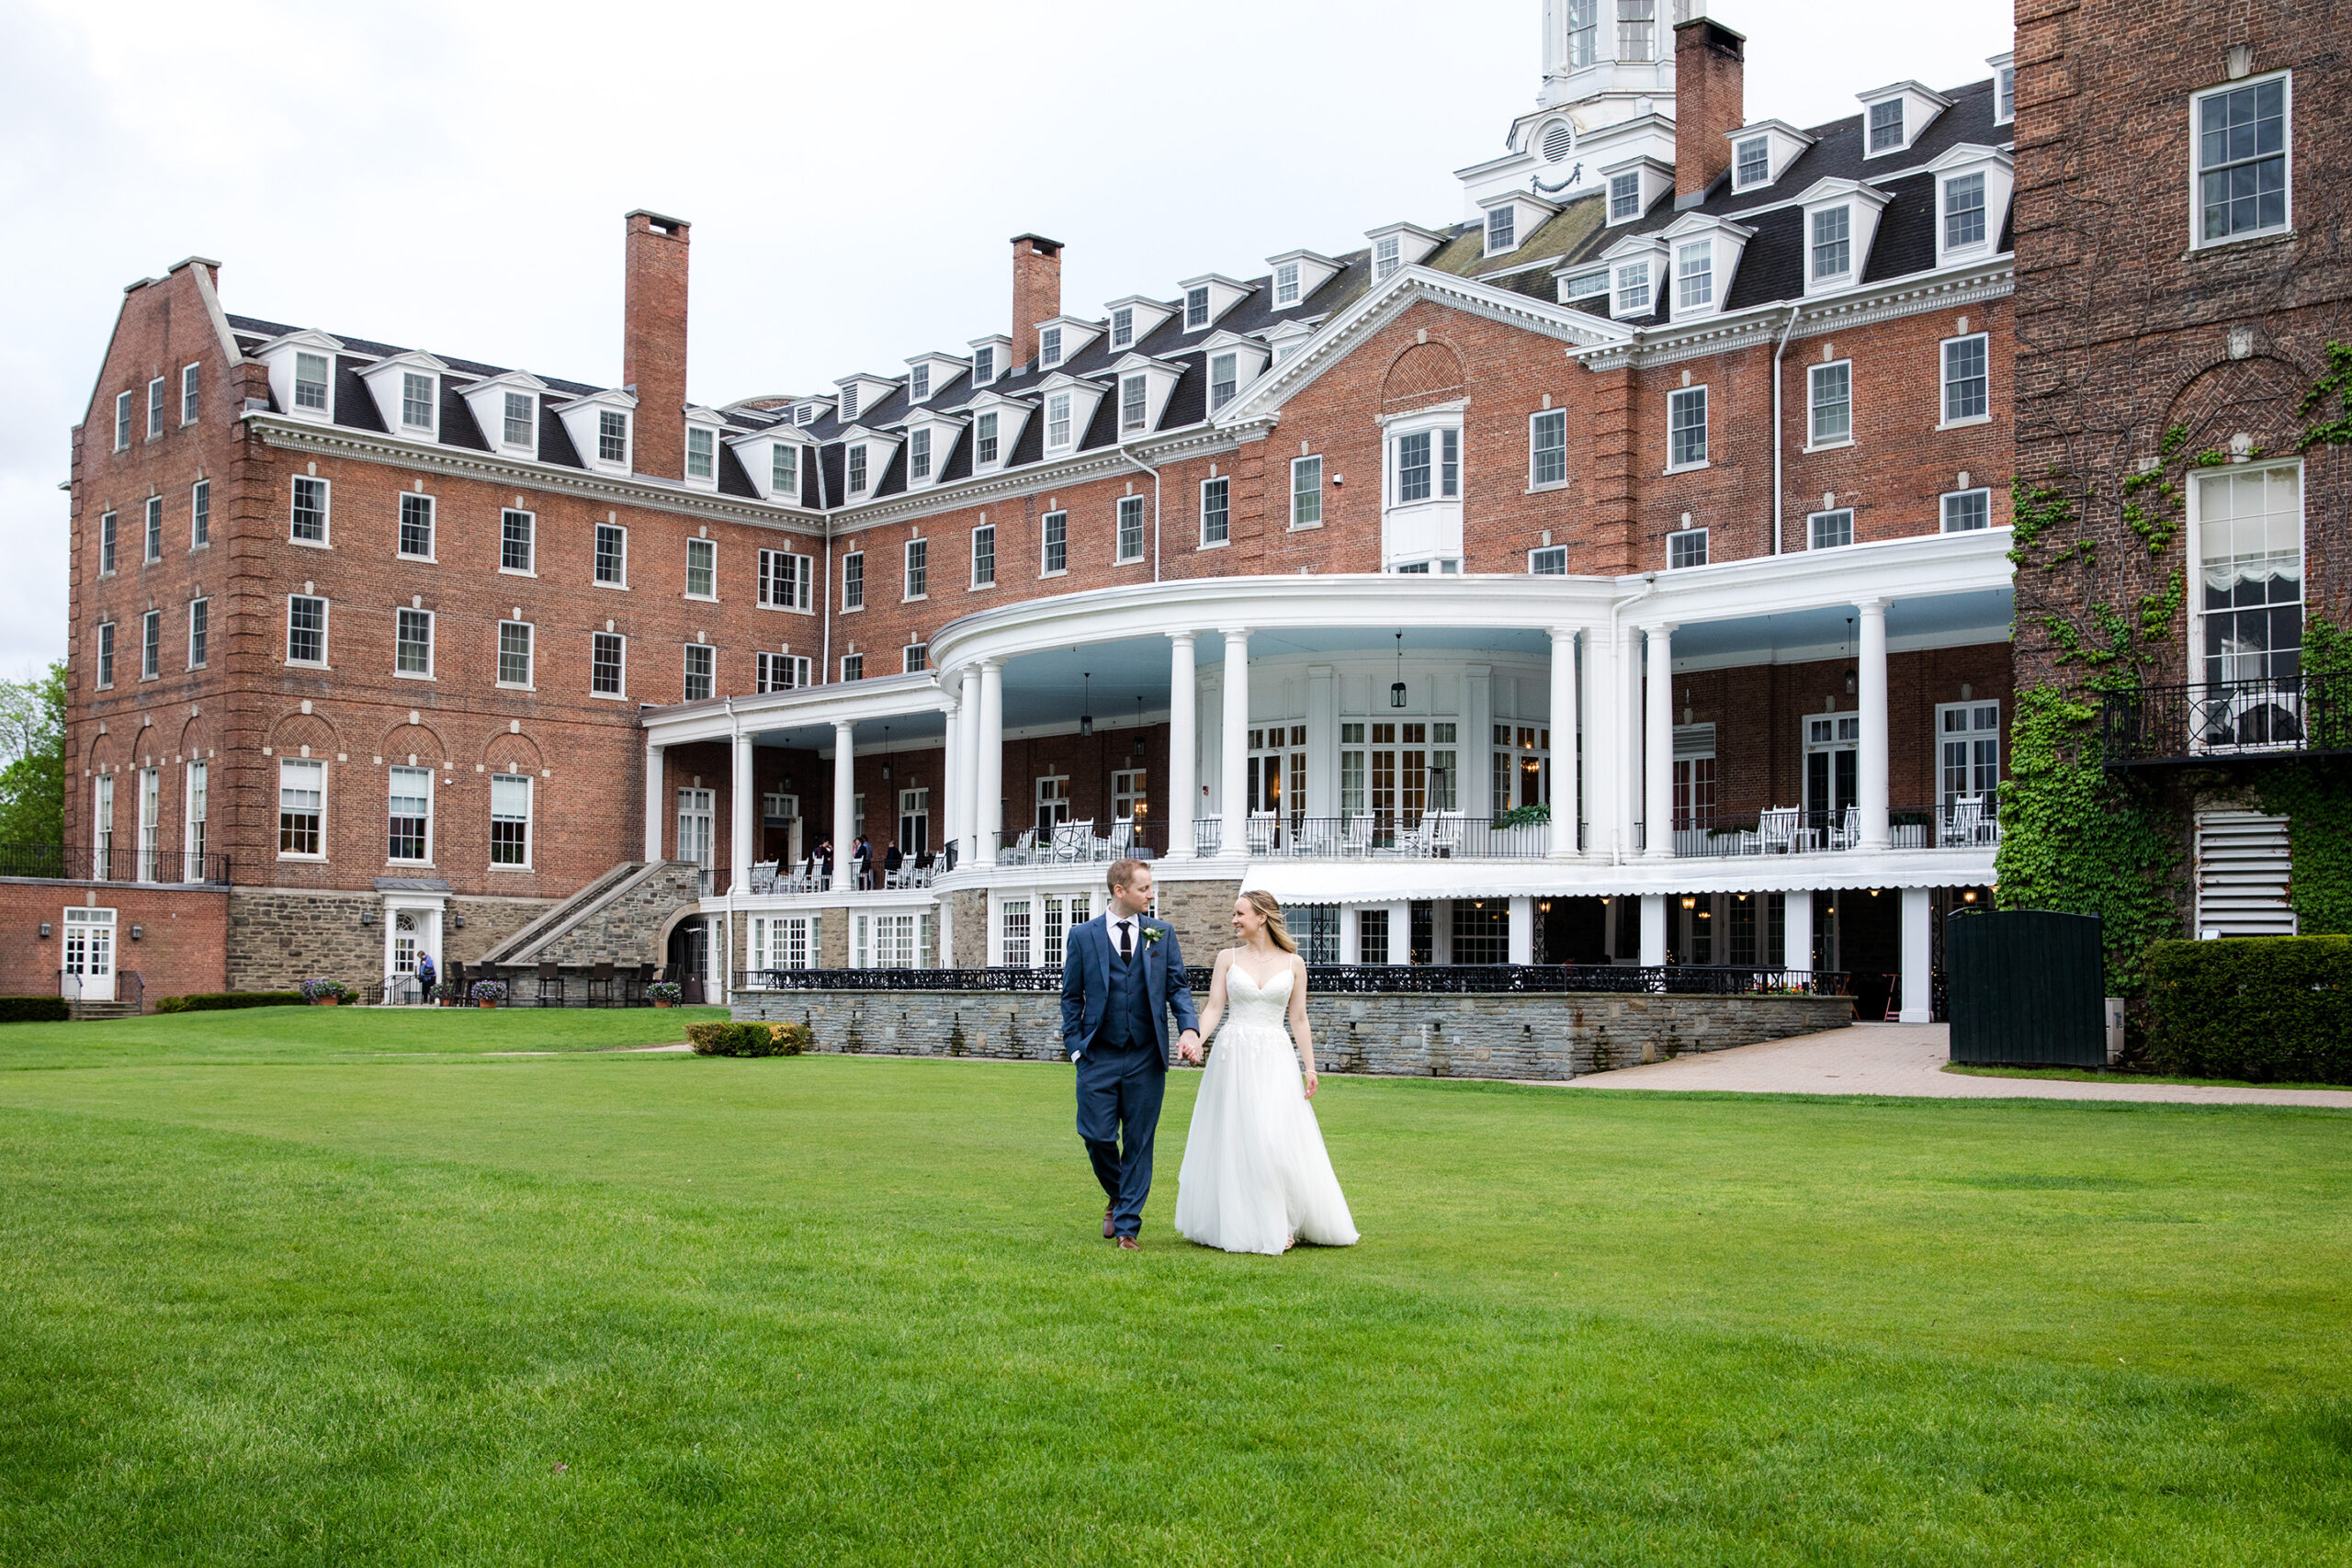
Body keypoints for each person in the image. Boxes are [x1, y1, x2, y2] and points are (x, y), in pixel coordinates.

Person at [1173, 891, 1358, 1256]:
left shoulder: (1293, 964)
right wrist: (1196, 1038)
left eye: (1240, 914)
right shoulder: (1227, 958)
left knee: (1274, 1140)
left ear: (1261, 917)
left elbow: (1299, 1018)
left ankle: (1284, 1219)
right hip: (1234, 1054)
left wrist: (1310, 1067)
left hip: (1275, 1055)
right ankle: (1255, 1222)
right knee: (1240, 1138)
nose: (1233, 920)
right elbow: (1213, 1007)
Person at [1059, 859, 1202, 1250]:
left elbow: (1178, 988)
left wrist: (1190, 1028)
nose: (1151, 894)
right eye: (1144, 888)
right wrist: (1075, 1048)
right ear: (1120, 891)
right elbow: (1071, 997)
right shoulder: (1082, 936)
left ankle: (1126, 1229)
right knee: (1096, 1136)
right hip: (1097, 1055)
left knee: (1139, 1142)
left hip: (1145, 1055)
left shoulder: (1161, 934)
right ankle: (1119, 1193)